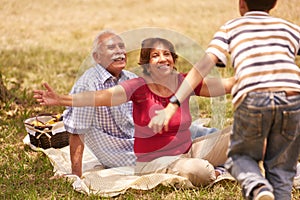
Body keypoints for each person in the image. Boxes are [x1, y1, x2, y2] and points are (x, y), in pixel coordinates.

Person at [148, 0, 300, 199]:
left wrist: (172, 104)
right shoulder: (290, 28)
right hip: (293, 99)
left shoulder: (231, 27)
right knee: (280, 170)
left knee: (240, 156)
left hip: (254, 98)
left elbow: (203, 66)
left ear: (241, 4)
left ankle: (257, 186)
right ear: (274, 4)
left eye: (166, 54)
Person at [34, 37, 234, 186]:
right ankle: (217, 170)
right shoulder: (138, 86)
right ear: (146, 63)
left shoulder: (184, 82)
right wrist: (61, 99)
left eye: (167, 55)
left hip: (189, 149)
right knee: (201, 172)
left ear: (173, 59)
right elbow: (100, 96)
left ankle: (218, 162)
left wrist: (259, 73)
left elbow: (226, 85)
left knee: (243, 134)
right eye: (155, 55)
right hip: (155, 160)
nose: (163, 59)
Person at [63, 30, 138, 177]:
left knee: (190, 132)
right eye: (111, 48)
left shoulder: (131, 78)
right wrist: (76, 174)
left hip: (140, 142)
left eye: (121, 46)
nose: (120, 52)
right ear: (97, 57)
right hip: (123, 156)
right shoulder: (88, 84)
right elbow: (78, 131)